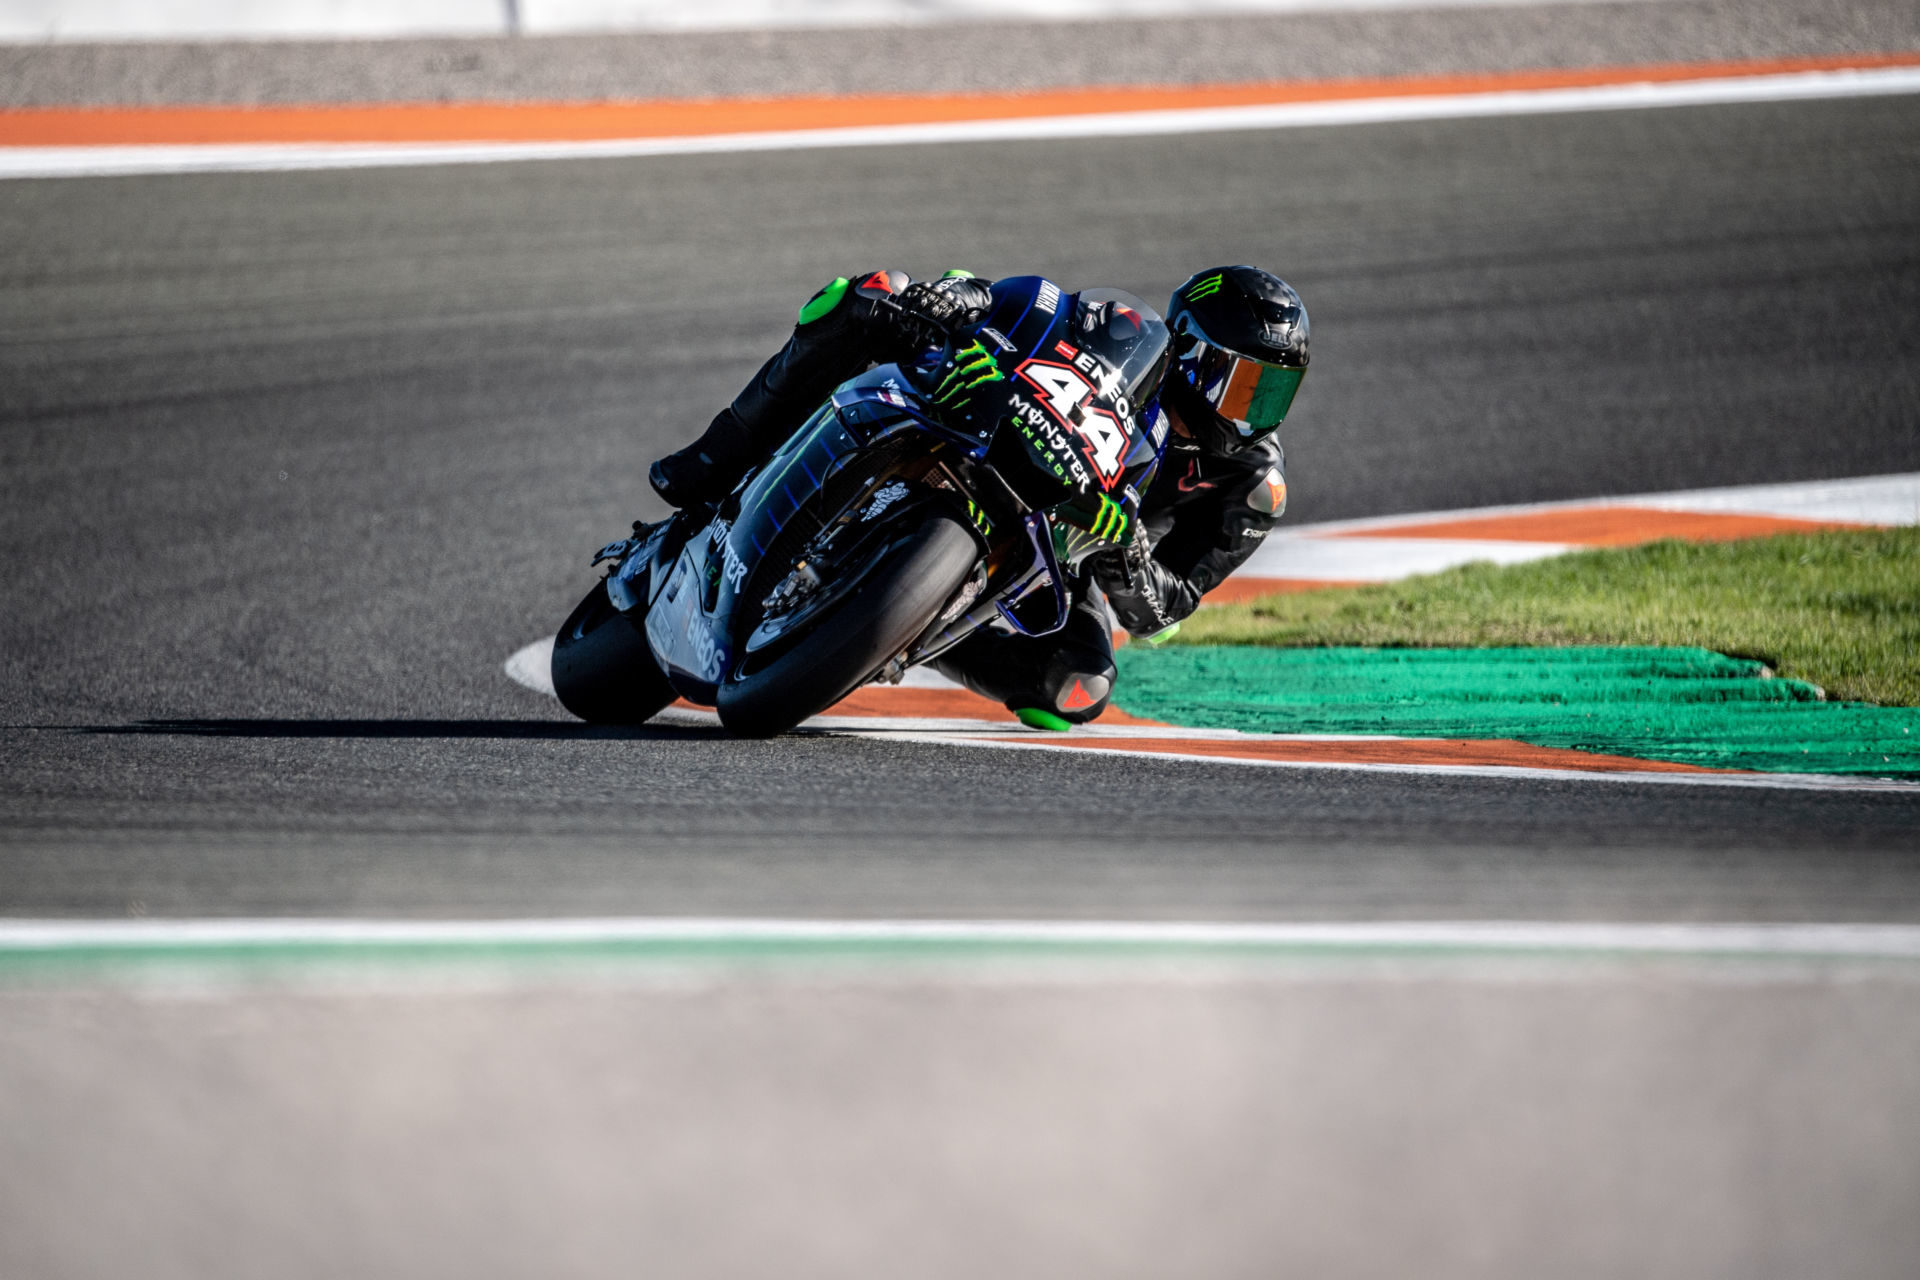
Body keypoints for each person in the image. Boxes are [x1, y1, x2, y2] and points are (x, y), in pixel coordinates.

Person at [646, 265, 1310, 728]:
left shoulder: (1252, 487)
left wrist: (1126, 551)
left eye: (1274, 393)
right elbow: (1039, 308)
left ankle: (890, 633)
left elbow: (1162, 610)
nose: (1254, 412)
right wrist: (964, 302)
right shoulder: (1124, 330)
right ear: (1194, 352)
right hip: (996, 425)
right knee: (872, 297)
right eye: (1245, 385)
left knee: (1078, 688)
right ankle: (715, 457)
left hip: (1080, 543)